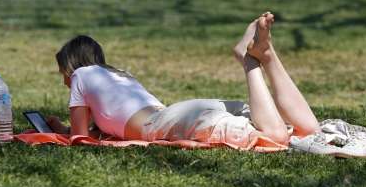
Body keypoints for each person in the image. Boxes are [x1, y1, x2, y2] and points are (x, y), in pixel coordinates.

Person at [45, 12, 320, 148]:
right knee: (307, 129)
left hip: (172, 122)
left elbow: (80, 138)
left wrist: (61, 130)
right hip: (184, 112)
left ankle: (249, 61)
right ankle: (268, 57)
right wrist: (63, 125)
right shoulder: (118, 76)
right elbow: (101, 127)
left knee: (276, 137)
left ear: (71, 67)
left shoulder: (81, 76)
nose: (64, 83)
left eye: (62, 75)